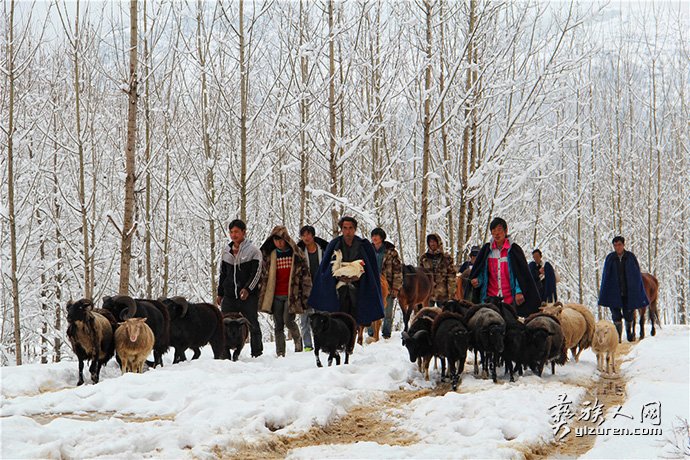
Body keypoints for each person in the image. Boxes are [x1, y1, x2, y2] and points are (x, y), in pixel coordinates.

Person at [308, 216, 384, 327]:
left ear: (355, 229)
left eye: (350, 228)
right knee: (338, 318)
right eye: (345, 228)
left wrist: (358, 277)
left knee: (355, 320)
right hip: (339, 289)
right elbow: (326, 267)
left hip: (358, 288)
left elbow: (371, 270)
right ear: (341, 229)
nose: (348, 231)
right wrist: (337, 277)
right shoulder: (334, 244)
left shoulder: (363, 245)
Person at [469, 217, 541, 317]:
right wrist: (478, 280)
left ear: (506, 231)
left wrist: (519, 291)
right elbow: (482, 272)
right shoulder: (486, 250)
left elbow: (520, 274)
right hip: (490, 300)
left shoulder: (514, 250)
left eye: (499, 230)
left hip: (509, 300)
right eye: (493, 231)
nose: (496, 234)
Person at [258, 226, 312, 357]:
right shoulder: (270, 256)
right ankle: (280, 351)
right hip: (275, 294)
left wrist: (305, 293)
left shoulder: (296, 254)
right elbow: (263, 275)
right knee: (278, 324)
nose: (279, 243)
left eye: (281, 240)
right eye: (276, 240)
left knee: (288, 320)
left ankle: (297, 340)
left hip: (291, 295)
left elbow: (305, 275)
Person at [216, 219, 263, 357]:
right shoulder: (226, 251)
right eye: (231, 232)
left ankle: (257, 352)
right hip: (230, 295)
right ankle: (224, 352)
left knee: (252, 323)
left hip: (248, 296)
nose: (234, 235)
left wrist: (248, 289)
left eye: (236, 231)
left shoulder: (253, 251)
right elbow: (223, 274)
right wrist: (220, 293)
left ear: (244, 232)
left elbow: (256, 273)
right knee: (223, 324)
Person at [598, 236, 649, 343]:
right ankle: (618, 336)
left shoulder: (630, 257)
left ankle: (629, 332)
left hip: (628, 292)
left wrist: (635, 290)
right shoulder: (610, 258)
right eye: (615, 245)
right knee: (616, 315)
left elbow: (636, 276)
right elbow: (606, 277)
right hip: (614, 292)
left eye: (619, 244)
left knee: (628, 314)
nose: (617, 247)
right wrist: (606, 292)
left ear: (623, 245)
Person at [297, 225, 329, 352]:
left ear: (313, 235)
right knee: (305, 318)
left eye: (308, 234)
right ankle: (308, 345)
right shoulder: (299, 251)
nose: (306, 237)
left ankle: (323, 342)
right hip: (304, 289)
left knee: (322, 316)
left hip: (321, 287)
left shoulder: (323, 249)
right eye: (303, 235)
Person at [369, 228, 403, 339]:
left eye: (376, 236)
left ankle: (386, 334)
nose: (374, 238)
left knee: (387, 311)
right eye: (373, 235)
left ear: (382, 237)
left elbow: (398, 270)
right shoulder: (368, 250)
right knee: (370, 309)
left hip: (387, 284)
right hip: (371, 284)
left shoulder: (391, 252)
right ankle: (371, 333)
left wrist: (396, 287)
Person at [420, 234, 457, 306]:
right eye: (430, 242)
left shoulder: (446, 258)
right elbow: (421, 277)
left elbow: (451, 276)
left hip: (443, 294)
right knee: (427, 315)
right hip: (428, 294)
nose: (432, 244)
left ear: (438, 242)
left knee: (443, 315)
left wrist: (451, 294)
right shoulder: (424, 258)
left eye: (434, 241)